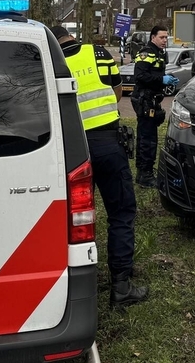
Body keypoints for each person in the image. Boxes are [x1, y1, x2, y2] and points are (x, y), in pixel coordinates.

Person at [50, 26, 148, 308]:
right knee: (121, 212)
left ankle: (66, 286)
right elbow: (117, 91)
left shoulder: (50, 61)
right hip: (107, 144)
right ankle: (121, 286)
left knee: (68, 219)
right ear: (71, 37)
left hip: (70, 150)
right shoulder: (98, 53)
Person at [131, 26, 177, 188]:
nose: (165, 40)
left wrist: (166, 79)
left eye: (166, 37)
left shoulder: (159, 53)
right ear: (153, 38)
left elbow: (154, 74)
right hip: (145, 100)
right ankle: (145, 175)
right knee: (147, 138)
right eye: (162, 37)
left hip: (152, 99)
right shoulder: (147, 53)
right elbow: (140, 76)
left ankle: (145, 172)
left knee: (149, 136)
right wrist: (161, 80)